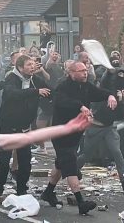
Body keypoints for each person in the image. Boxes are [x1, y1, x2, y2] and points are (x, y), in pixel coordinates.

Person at [41, 61, 117, 215]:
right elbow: (61, 101)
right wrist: (80, 106)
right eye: (81, 70)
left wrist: (110, 95)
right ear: (71, 73)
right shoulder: (63, 86)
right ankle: (81, 202)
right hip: (61, 132)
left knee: (61, 164)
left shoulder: (86, 85)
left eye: (86, 70)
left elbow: (99, 92)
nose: (85, 73)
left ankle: (48, 193)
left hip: (76, 133)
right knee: (70, 166)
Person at [0, 54, 51, 198]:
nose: (32, 67)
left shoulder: (35, 80)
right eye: (28, 65)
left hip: (25, 126)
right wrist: (36, 92)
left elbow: (50, 90)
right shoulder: (11, 78)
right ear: (20, 67)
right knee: (5, 160)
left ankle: (22, 189)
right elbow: (13, 94)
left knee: (25, 159)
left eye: (33, 64)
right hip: (9, 125)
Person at [77, 56, 124, 195]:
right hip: (95, 127)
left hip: (109, 128)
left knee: (117, 153)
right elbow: (104, 83)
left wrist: (120, 100)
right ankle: (74, 170)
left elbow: (120, 115)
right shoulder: (100, 92)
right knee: (86, 155)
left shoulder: (118, 95)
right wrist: (109, 72)